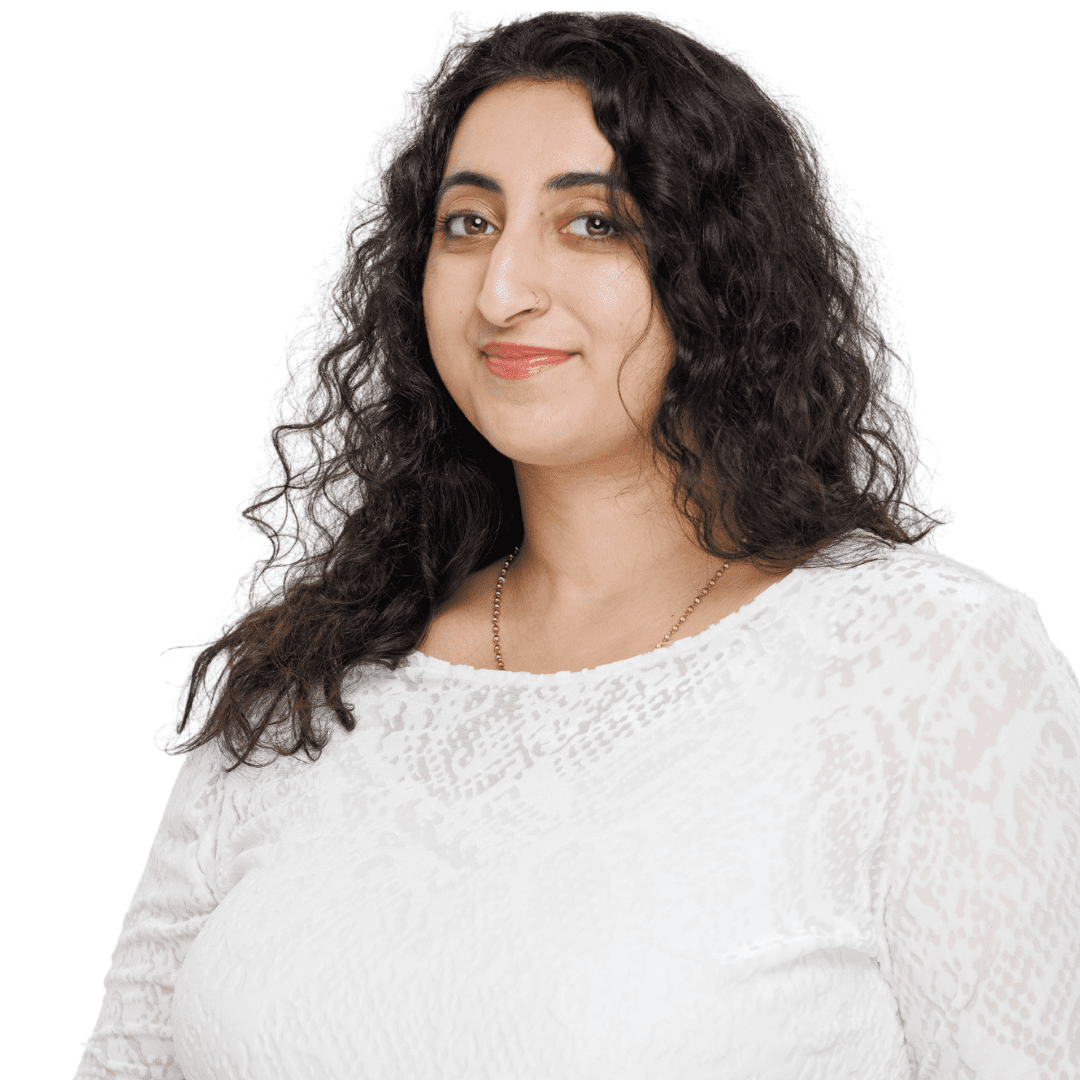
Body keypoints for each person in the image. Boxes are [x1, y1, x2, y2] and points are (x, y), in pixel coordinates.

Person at [74, 12, 1079, 1079]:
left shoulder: (932, 670)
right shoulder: (307, 682)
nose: (503, 291)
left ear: (721, 272)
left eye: (593, 224)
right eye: (467, 225)